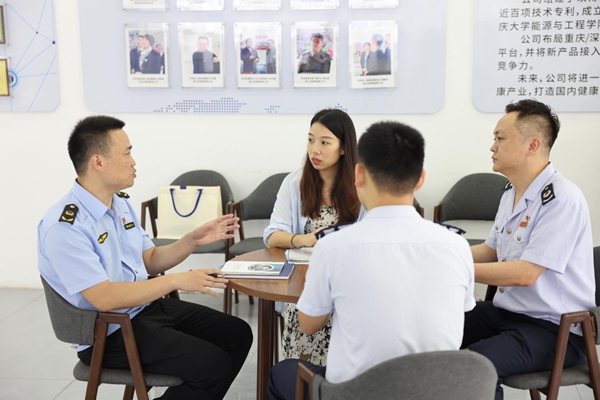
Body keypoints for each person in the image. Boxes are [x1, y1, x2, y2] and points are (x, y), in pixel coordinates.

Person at [37, 116, 253, 400]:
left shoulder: (119, 203)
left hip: (143, 309)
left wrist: (191, 240)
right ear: (98, 162)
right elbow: (104, 298)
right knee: (212, 366)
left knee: (238, 334)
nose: (134, 162)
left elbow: (149, 259)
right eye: (126, 153)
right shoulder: (65, 226)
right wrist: (177, 280)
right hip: (108, 332)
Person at [267, 121, 475, 400]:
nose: (315, 149)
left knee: (282, 373)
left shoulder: (333, 247)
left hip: (356, 392)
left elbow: (308, 324)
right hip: (437, 391)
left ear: (359, 175)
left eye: (324, 142)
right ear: (421, 179)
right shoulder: (457, 246)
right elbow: (460, 311)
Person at [461, 99, 595, 400]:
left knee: (475, 366)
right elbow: (491, 251)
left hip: (554, 329)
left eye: (500, 138)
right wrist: (443, 254)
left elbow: (525, 274)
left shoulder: (562, 199)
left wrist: (454, 267)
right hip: (507, 313)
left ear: (532, 145)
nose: (492, 147)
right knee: (432, 328)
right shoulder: (511, 192)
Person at [263, 109, 362, 366]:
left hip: (349, 279)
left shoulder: (362, 185)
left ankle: (337, 378)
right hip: (305, 279)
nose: (314, 150)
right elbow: (272, 235)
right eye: (310, 140)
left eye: (324, 142)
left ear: (344, 148)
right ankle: (300, 377)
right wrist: (302, 239)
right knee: (303, 310)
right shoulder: (294, 183)